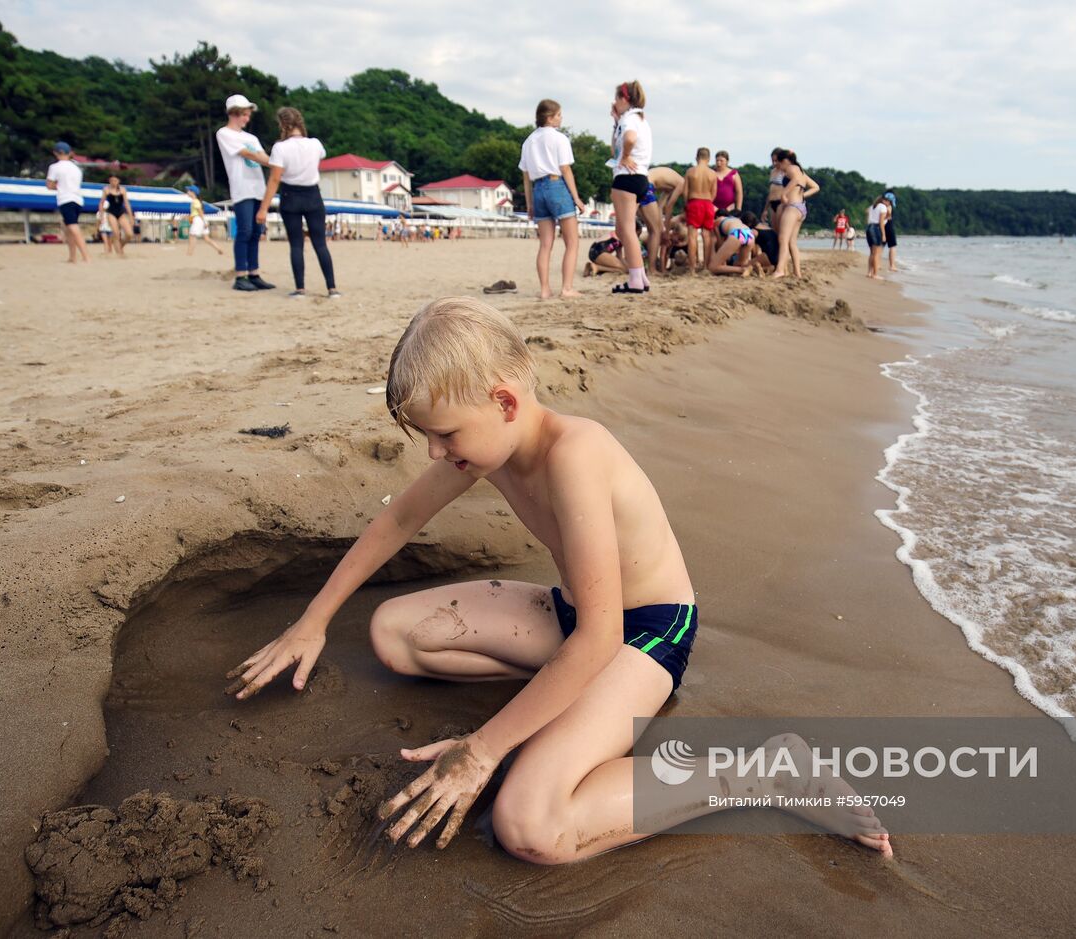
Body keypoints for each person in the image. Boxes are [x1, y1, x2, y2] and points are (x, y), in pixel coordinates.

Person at [225, 297, 892, 862]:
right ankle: (575, 700)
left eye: (445, 434)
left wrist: (483, 750)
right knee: (395, 634)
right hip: (576, 617)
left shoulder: (576, 454)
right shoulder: (484, 448)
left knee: (530, 825)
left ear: (505, 401)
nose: (435, 453)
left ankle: (763, 772)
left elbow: (603, 637)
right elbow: (398, 518)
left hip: (644, 634)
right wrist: (311, 620)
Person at [257, 106, 340, 299]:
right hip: (313, 195)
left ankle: (300, 289)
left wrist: (263, 208)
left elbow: (275, 179)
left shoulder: (280, 148)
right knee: (320, 244)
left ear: (282, 124)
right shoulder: (315, 144)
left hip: (290, 196)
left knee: (296, 245)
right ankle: (332, 288)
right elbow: (321, 156)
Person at [519, 99, 585, 300]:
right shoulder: (559, 139)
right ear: (549, 117)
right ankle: (566, 288)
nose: (561, 118)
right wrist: (576, 198)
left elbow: (525, 176)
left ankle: (545, 289)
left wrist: (529, 204)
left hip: (538, 189)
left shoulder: (528, 141)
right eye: (558, 115)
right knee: (572, 242)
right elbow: (565, 169)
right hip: (557, 186)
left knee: (545, 245)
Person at [215, 93, 275, 292]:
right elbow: (248, 154)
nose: (247, 119)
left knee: (256, 232)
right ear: (234, 113)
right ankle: (241, 275)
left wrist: (274, 161)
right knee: (245, 230)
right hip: (242, 188)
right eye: (244, 115)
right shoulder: (224, 133)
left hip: (258, 187)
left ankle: (254, 273)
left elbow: (261, 155)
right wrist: (275, 162)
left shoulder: (251, 137)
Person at [608, 81, 653, 294]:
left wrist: (625, 155)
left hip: (627, 177)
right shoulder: (639, 119)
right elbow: (613, 152)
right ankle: (641, 277)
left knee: (626, 230)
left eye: (617, 98)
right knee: (623, 229)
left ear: (625, 99)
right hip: (640, 177)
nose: (614, 102)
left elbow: (630, 139)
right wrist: (616, 122)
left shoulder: (629, 120)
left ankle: (635, 278)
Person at [771, 149, 818, 279]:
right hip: (800, 207)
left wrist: (784, 193)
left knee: (783, 239)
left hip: (792, 208)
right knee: (791, 242)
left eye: (778, 162)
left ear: (785, 161)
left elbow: (796, 180)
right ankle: (797, 273)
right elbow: (815, 187)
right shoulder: (800, 170)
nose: (777, 165)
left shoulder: (792, 168)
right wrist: (803, 195)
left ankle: (780, 270)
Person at [45, 141, 89, 264]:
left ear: (56, 153)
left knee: (73, 226)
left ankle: (85, 256)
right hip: (78, 198)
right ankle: (72, 257)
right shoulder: (76, 168)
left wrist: (57, 186)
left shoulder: (55, 167)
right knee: (67, 228)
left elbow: (49, 185)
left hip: (65, 198)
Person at [683, 148, 718, 272]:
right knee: (707, 236)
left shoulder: (690, 171)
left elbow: (685, 192)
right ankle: (705, 267)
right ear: (708, 159)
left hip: (694, 202)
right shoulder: (713, 174)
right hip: (708, 203)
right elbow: (714, 194)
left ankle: (692, 268)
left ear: (697, 158)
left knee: (692, 236)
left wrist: (686, 205)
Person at [707, 210, 758, 276]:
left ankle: (743, 269)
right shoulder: (735, 220)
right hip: (749, 234)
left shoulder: (716, 222)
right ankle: (754, 267)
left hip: (737, 233)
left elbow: (720, 245)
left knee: (712, 268)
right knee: (738, 264)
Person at [97, 175, 134, 257]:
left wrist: (131, 216)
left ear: (118, 181)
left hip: (121, 212)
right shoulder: (106, 189)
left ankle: (120, 246)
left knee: (129, 234)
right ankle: (119, 252)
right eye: (111, 180)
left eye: (115, 180)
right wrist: (101, 215)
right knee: (116, 233)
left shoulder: (123, 190)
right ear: (109, 181)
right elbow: (101, 203)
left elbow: (127, 203)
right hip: (111, 212)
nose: (113, 182)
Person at [184, 185, 223, 257]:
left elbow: (200, 212)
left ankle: (189, 253)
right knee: (206, 238)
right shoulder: (197, 201)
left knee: (192, 236)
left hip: (198, 220)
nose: (187, 192)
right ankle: (219, 249)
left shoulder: (195, 201)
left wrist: (204, 222)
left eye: (189, 191)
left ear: (193, 192)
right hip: (200, 220)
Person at [761, 147, 787, 230]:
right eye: (773, 161)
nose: (774, 163)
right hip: (772, 203)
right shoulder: (772, 171)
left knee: (781, 230)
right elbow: (771, 191)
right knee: (775, 230)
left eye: (776, 161)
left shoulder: (786, 171)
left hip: (781, 203)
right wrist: (765, 209)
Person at [866, 194, 890, 279]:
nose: (889, 204)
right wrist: (883, 234)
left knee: (872, 252)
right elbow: (881, 222)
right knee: (876, 253)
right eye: (888, 202)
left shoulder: (872, 206)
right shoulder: (883, 207)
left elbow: (867, 215)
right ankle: (875, 274)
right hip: (876, 228)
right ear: (884, 201)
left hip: (869, 227)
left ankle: (869, 272)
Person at [883, 191, 900, 272]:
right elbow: (888, 216)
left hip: (881, 227)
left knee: (880, 246)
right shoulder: (889, 207)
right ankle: (892, 265)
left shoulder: (880, 206)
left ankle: (878, 264)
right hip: (888, 226)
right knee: (892, 246)